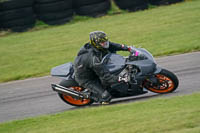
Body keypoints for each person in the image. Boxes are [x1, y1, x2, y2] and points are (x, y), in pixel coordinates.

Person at [73, 31, 136, 104]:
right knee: (106, 97)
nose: (105, 43)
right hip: (87, 78)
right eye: (103, 42)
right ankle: (96, 97)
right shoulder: (93, 59)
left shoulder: (101, 46)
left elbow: (113, 45)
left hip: (94, 70)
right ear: (95, 43)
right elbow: (105, 76)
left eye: (105, 41)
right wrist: (121, 78)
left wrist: (128, 48)